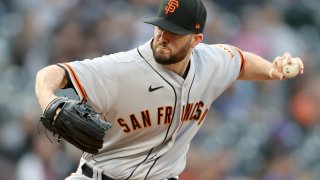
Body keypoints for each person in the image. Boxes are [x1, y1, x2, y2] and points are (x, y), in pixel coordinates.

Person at [35, 0, 304, 179]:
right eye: (161, 27)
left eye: (174, 32)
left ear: (196, 39)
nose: (163, 37)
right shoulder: (123, 68)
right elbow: (51, 74)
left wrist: (271, 70)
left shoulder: (211, 62)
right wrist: (49, 101)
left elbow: (241, 60)